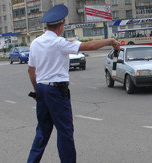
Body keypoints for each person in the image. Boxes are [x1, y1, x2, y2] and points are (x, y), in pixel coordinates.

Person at [27, 4, 120, 163]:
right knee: (65, 132)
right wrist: (110, 40)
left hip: (42, 89)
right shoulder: (59, 42)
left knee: (42, 132)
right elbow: (88, 46)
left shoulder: (35, 43)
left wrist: (36, 90)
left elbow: (30, 69)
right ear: (61, 25)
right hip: (56, 91)